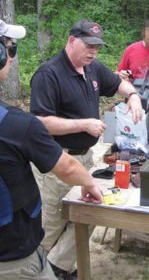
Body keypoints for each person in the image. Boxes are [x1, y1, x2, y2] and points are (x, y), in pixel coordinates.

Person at [30, 19, 143, 278]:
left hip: (85, 159)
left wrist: (133, 95)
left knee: (89, 210)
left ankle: (58, 267)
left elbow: (117, 83)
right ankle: (39, 271)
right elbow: (40, 123)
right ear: (71, 41)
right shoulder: (49, 74)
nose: (93, 51)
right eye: (88, 45)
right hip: (55, 161)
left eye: (97, 47)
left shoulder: (92, 69)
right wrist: (83, 124)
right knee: (53, 223)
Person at [0, 20, 103, 280]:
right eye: (10, 49)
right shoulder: (17, 124)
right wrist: (90, 183)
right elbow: (66, 167)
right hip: (14, 256)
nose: (12, 57)